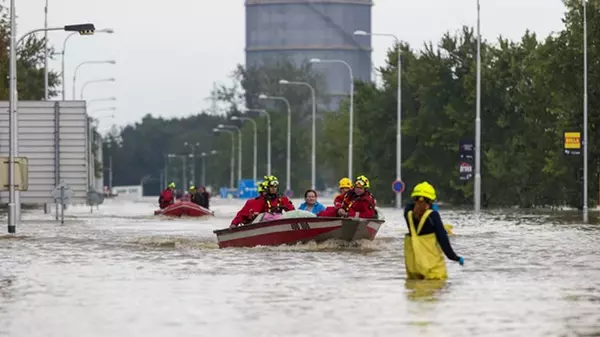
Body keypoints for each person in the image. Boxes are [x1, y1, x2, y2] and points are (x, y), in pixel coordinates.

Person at [403, 181, 464, 280]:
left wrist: (418, 199)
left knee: (415, 293)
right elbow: (443, 240)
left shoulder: (408, 215)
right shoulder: (433, 216)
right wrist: (454, 257)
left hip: (413, 268)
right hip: (432, 269)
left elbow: (408, 206)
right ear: (431, 201)